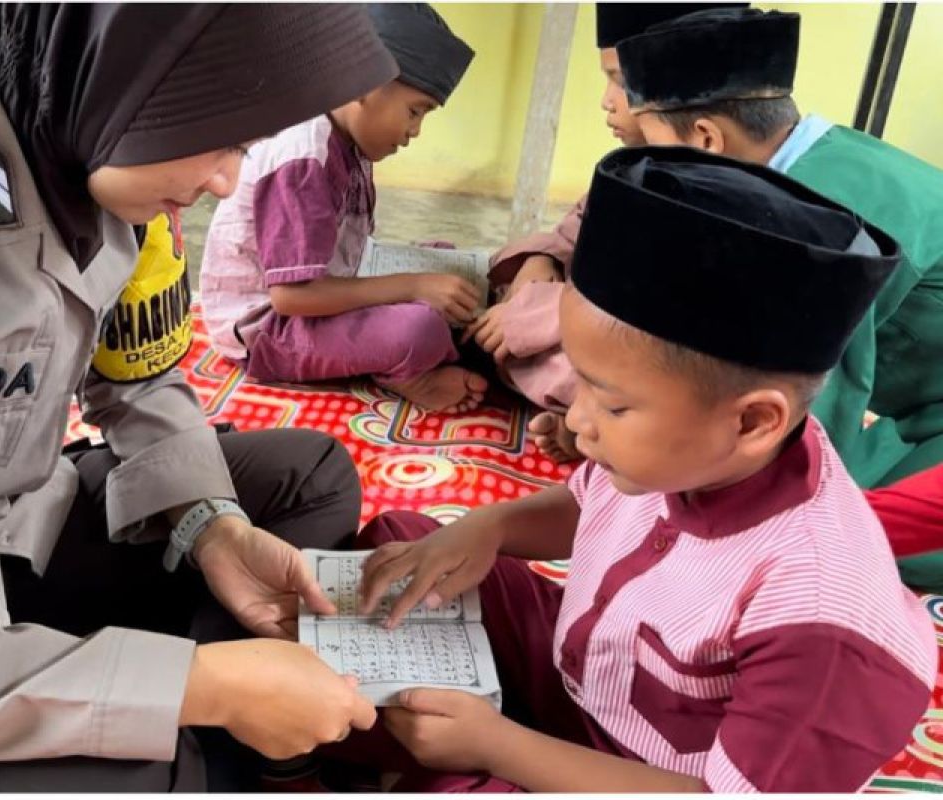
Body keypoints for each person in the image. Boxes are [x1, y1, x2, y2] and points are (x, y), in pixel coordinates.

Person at [0, 4, 402, 791]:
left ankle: (206, 712)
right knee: (140, 770)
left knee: (308, 476)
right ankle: (202, 735)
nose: (227, 181)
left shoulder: (76, 122)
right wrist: (204, 688)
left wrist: (211, 529)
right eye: (225, 140)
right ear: (134, 77)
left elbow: (139, 374)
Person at [346, 147, 936, 792]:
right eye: (583, 385)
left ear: (751, 420)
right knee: (406, 554)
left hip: (648, 775)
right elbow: (588, 504)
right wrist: (489, 526)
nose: (577, 421)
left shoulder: (825, 626)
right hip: (591, 677)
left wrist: (498, 747)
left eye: (614, 402)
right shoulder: (706, 450)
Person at [618, 7, 943, 494]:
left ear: (706, 139)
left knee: (838, 527)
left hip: (928, 422)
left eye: (653, 143)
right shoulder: (831, 156)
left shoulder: (821, 223)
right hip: (920, 411)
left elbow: (810, 406)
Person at [473, 3, 744, 464]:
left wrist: (544, 313)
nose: (606, 100)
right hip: (590, 328)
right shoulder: (633, 167)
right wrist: (539, 266)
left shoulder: (734, 197)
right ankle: (593, 415)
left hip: (647, 358)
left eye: (620, 80)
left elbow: (672, 322)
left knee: (621, 384)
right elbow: (566, 235)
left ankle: (596, 416)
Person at [199, 4, 484, 413]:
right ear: (364, 82)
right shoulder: (302, 155)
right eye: (415, 110)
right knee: (419, 327)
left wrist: (422, 278)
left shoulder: (348, 143)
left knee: (446, 261)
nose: (416, 131)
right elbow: (291, 297)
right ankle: (411, 374)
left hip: (325, 287)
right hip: (269, 330)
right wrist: (413, 286)